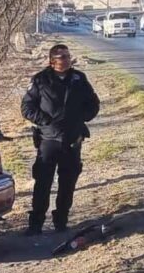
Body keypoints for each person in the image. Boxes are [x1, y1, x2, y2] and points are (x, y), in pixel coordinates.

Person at [21, 44, 100, 235]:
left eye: (67, 56)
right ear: (52, 61)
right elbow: (27, 108)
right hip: (48, 140)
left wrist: (80, 120)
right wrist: (46, 122)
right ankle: (36, 224)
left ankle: (61, 221)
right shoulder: (40, 80)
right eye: (61, 57)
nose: (66, 60)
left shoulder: (78, 79)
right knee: (43, 182)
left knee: (68, 182)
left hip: (72, 140)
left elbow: (93, 104)